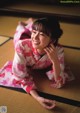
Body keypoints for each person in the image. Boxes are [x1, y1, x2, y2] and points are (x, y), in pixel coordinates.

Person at [11, 17, 74, 109]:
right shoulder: (21, 46)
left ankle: (33, 25)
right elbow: (20, 76)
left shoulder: (58, 50)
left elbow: (59, 79)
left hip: (44, 44)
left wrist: (55, 60)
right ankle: (27, 23)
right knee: (21, 32)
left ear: (52, 40)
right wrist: (37, 97)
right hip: (23, 39)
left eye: (42, 34)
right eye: (34, 32)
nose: (35, 37)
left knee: (36, 30)